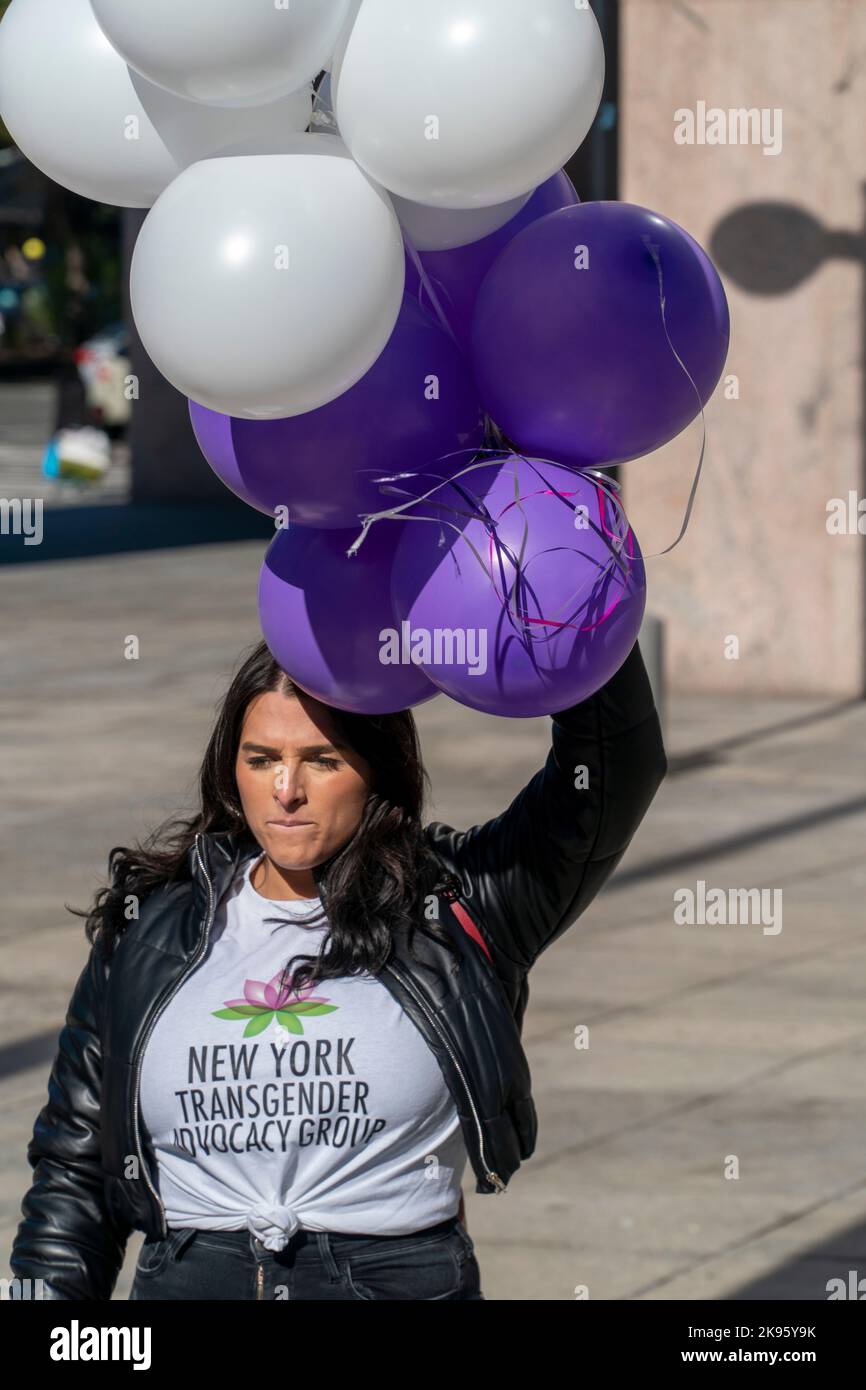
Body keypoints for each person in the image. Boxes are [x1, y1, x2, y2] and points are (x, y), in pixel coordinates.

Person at [8, 634, 667, 1301]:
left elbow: (617, 769)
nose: (286, 790)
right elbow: (76, 1161)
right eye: (261, 759)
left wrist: (575, 603)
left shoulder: (459, 904)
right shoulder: (148, 925)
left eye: (321, 761)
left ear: (376, 768)